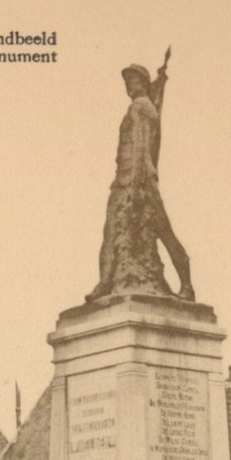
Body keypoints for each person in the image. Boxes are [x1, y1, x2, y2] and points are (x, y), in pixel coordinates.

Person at [86, 51, 195, 302]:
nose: (128, 84)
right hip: (125, 179)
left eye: (132, 79)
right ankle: (105, 281)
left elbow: (141, 147)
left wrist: (136, 186)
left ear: (143, 83)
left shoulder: (141, 107)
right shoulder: (141, 106)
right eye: (126, 80)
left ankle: (187, 283)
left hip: (139, 180)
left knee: (164, 231)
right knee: (111, 230)